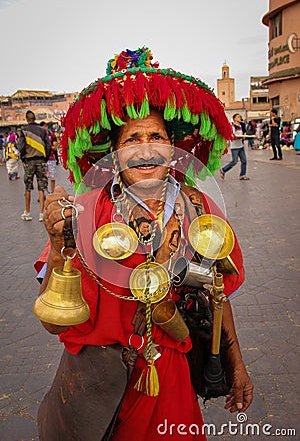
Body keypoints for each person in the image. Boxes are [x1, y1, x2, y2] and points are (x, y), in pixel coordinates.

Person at [34, 47, 253, 441]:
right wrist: (55, 243)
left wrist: (236, 365)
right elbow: (52, 322)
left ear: (173, 148)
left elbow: (218, 296)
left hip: (172, 381)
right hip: (98, 385)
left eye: (157, 136)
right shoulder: (83, 213)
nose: (146, 148)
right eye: (133, 138)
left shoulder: (199, 211)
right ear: (115, 155)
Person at [18, 110, 51, 221]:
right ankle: (42, 213)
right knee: (41, 186)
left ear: (27, 119)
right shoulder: (42, 130)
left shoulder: (23, 130)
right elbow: (48, 145)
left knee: (28, 187)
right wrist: (45, 158)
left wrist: (23, 159)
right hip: (41, 160)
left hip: (29, 161)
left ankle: (28, 212)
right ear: (35, 118)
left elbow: (21, 147)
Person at [220, 113, 250, 180]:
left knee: (244, 161)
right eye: (238, 117)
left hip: (241, 146)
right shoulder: (232, 126)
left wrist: (244, 136)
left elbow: (243, 133)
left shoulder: (242, 125)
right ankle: (223, 170)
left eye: (240, 117)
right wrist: (236, 137)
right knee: (234, 161)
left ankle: (242, 175)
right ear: (234, 119)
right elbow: (231, 135)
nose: (240, 118)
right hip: (234, 147)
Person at [40, 122, 58, 193]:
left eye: (44, 127)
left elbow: (55, 147)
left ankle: (52, 191)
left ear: (46, 126)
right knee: (43, 177)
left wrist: (47, 147)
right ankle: (45, 192)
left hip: (51, 158)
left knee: (52, 176)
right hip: (42, 159)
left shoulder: (52, 135)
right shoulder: (40, 136)